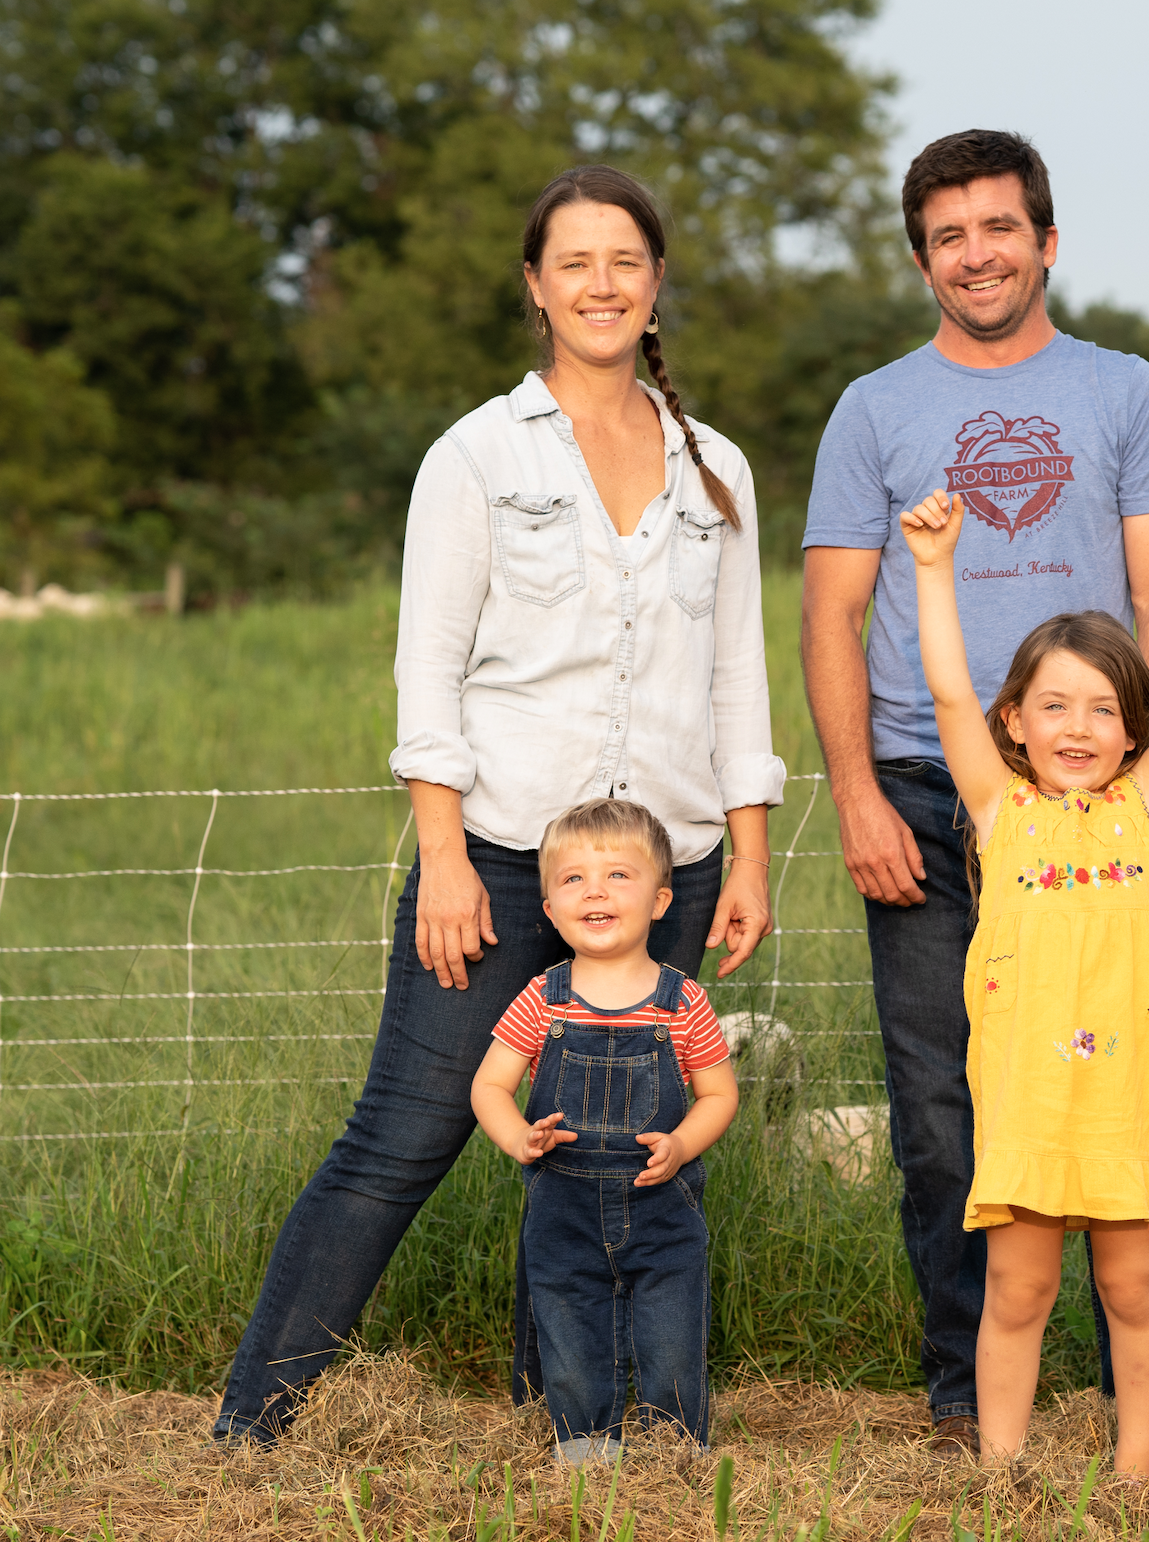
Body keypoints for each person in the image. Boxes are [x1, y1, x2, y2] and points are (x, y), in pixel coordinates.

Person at [211, 165, 785, 1443]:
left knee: (608, 1149)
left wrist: (747, 855)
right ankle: (252, 1421)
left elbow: (737, 669)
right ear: (535, 287)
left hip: (673, 861)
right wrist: (444, 856)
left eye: (623, 262)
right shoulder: (475, 455)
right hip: (501, 853)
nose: (600, 284)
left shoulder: (716, 468)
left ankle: (564, 1414)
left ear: (654, 289)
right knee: (405, 1134)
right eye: (572, 262)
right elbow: (429, 669)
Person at [800, 128, 1149, 1468]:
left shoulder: (1126, 392)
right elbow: (833, 614)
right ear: (921, 258)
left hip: (1096, 810)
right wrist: (856, 798)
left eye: (999, 228)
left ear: (1046, 242)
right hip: (931, 794)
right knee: (943, 1110)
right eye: (948, 236)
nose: (976, 254)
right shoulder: (873, 410)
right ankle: (962, 1396)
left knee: (1127, 1093)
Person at [898, 490, 1149, 1475]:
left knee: (1134, 1290)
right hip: (1033, 1102)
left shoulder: (1145, 807)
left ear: (1132, 733)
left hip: (1130, 1104)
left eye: (1102, 710)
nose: (1077, 728)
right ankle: (998, 1472)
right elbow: (947, 693)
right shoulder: (997, 812)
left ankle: (1134, 1475)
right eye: (1053, 707)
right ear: (1015, 723)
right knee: (1017, 1293)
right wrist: (933, 566)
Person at [472, 799, 738, 1464]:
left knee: (672, 1327)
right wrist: (518, 1137)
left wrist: (682, 1145)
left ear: (660, 900)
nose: (595, 890)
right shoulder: (543, 999)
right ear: (551, 908)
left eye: (619, 875)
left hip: (661, 1207)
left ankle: (674, 1445)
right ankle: (586, 1444)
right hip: (562, 1209)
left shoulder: (683, 1003)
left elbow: (718, 1094)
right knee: (567, 1323)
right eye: (573, 880)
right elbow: (489, 1086)